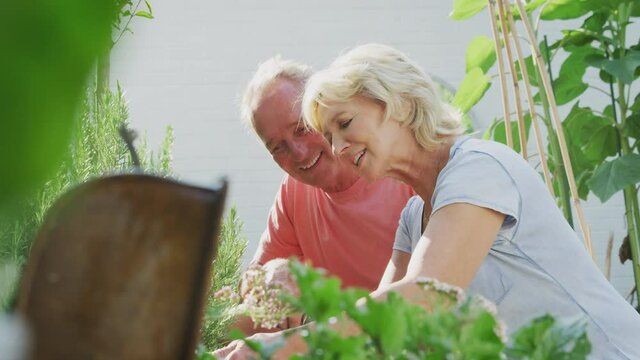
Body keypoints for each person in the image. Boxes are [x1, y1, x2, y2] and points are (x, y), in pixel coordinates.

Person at [217, 43, 640, 359]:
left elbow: (424, 295)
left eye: (345, 125)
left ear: (398, 103)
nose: (338, 148)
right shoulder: (415, 216)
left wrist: (279, 348)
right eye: (330, 136)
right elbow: (384, 333)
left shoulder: (479, 168)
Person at [223, 56, 415, 337]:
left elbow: (428, 294)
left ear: (322, 110)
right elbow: (253, 289)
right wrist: (273, 273)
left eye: (301, 129)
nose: (299, 154)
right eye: (278, 148)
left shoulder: (401, 170)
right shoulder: (294, 190)